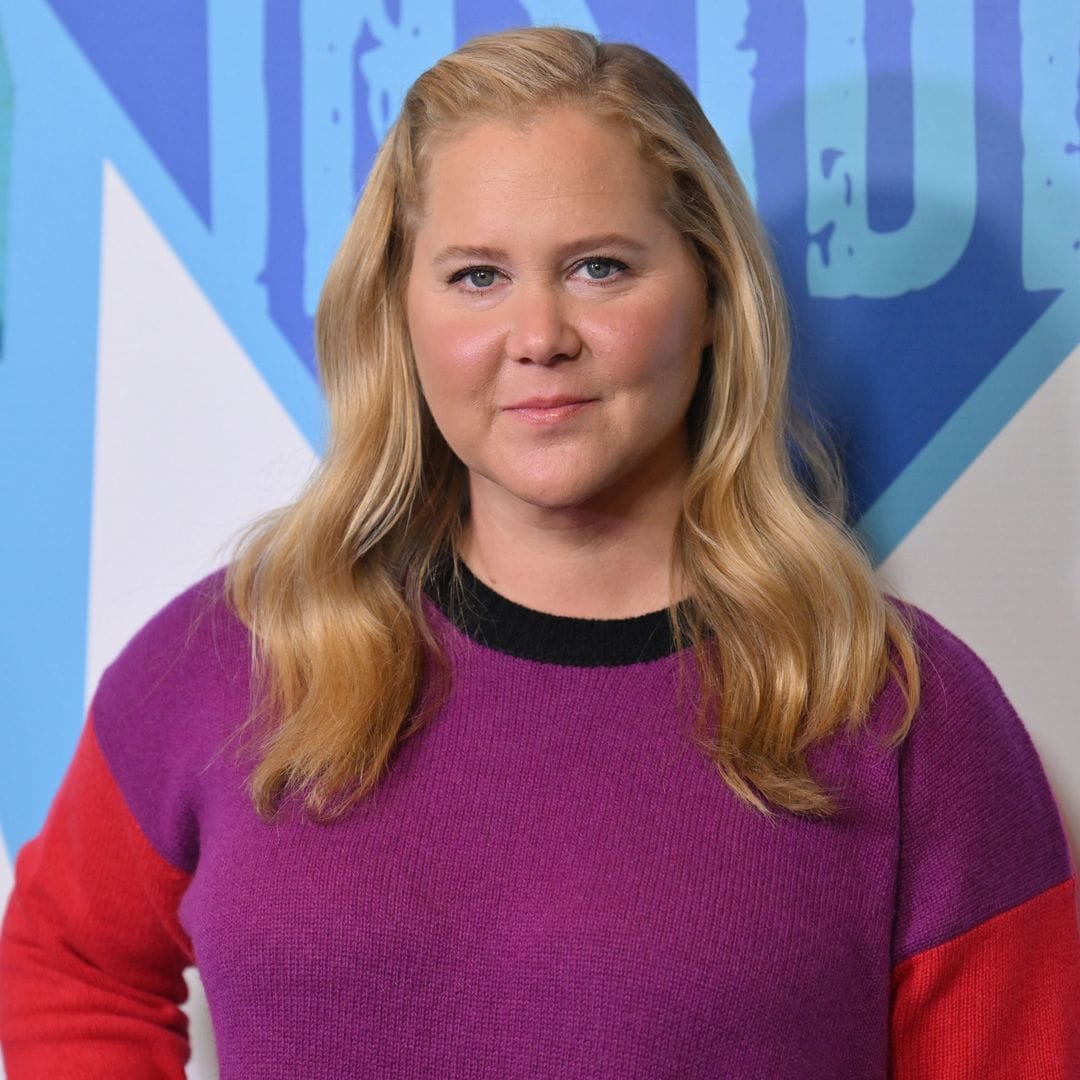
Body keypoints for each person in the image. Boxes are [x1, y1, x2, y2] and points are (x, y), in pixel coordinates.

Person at [1, 25, 1077, 1079]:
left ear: (711, 300)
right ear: (400, 314)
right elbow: (68, 962)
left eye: (600, 267)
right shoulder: (239, 653)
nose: (540, 334)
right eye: (477, 276)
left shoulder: (899, 709)